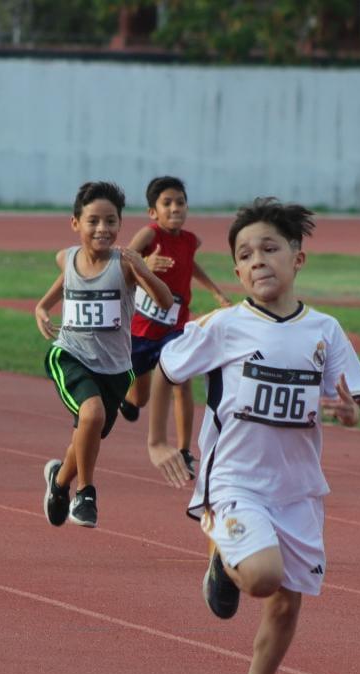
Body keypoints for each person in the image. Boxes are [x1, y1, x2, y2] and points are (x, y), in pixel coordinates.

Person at [148, 197, 360, 674]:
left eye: (270, 249)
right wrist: (158, 441)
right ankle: (224, 565)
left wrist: (349, 412)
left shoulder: (325, 330)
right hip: (235, 482)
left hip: (297, 489)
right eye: (245, 255)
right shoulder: (225, 326)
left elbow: (351, 397)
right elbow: (166, 366)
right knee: (263, 576)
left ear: (298, 258)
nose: (258, 262)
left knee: (285, 601)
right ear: (236, 271)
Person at [35, 180, 174, 529]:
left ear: (120, 224)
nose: (102, 229)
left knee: (87, 432)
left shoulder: (125, 263)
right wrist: (42, 306)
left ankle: (60, 481)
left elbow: (165, 301)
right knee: (92, 415)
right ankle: (86, 494)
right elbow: (66, 280)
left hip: (114, 368)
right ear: (75, 223)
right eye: (93, 221)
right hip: (70, 355)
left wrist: (144, 271)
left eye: (111, 221)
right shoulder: (66, 257)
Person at [119, 176, 231, 478]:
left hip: (176, 327)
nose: (175, 208)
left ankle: (184, 451)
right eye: (166, 203)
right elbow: (123, 259)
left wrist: (215, 291)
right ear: (153, 212)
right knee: (140, 397)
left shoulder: (189, 240)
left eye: (180, 202)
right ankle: (128, 400)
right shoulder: (149, 235)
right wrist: (145, 265)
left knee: (182, 382)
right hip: (142, 330)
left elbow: (191, 263)